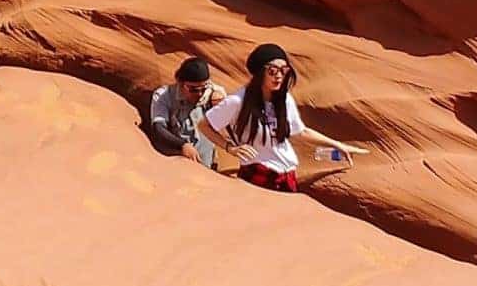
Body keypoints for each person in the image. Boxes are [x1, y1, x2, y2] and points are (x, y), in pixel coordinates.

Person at [198, 43, 368, 192]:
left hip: (287, 175)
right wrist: (230, 148)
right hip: (258, 174)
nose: (279, 76)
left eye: (284, 70)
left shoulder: (284, 99)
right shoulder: (237, 101)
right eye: (273, 71)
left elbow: (300, 132)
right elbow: (204, 125)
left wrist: (337, 145)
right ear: (260, 72)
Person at [150, 57, 227, 168]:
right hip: (176, 163)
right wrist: (182, 145)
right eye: (194, 89)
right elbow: (159, 127)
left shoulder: (213, 92)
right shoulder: (164, 96)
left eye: (203, 89)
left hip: (206, 164)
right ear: (180, 83)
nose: (199, 94)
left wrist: (220, 103)